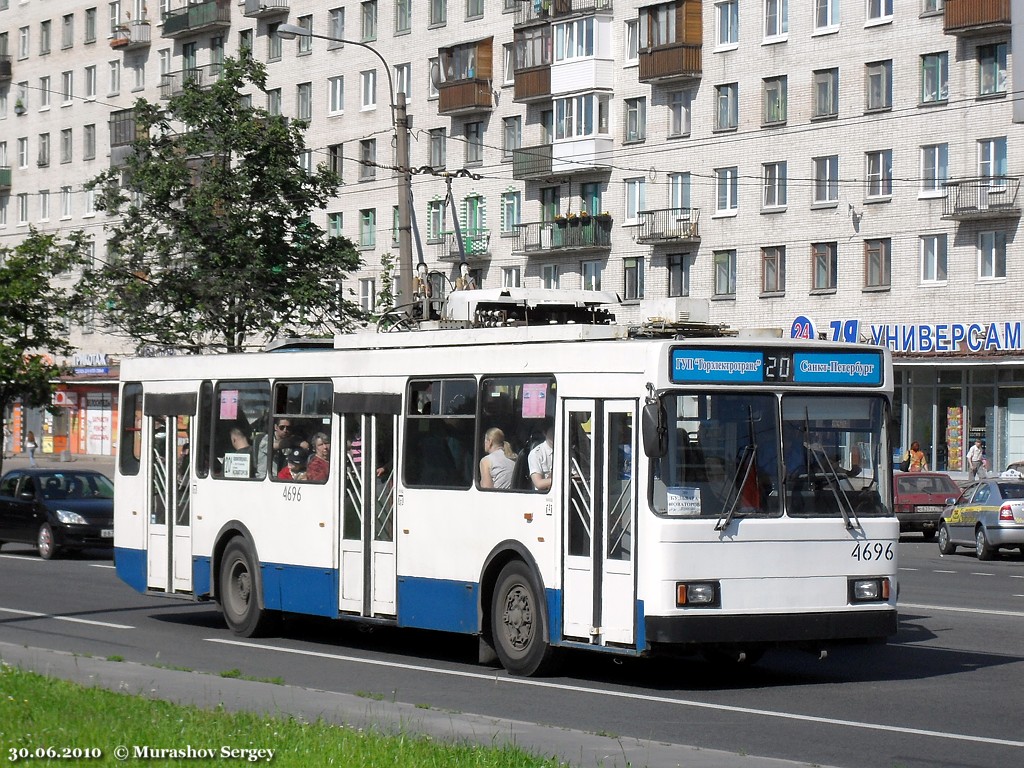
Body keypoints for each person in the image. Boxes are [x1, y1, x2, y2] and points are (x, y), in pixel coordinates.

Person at [528, 421, 554, 492]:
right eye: (553, 432)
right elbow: (538, 483)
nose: (556, 436)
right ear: (544, 433)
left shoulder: (567, 452)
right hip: (544, 495)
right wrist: (561, 479)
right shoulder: (536, 454)